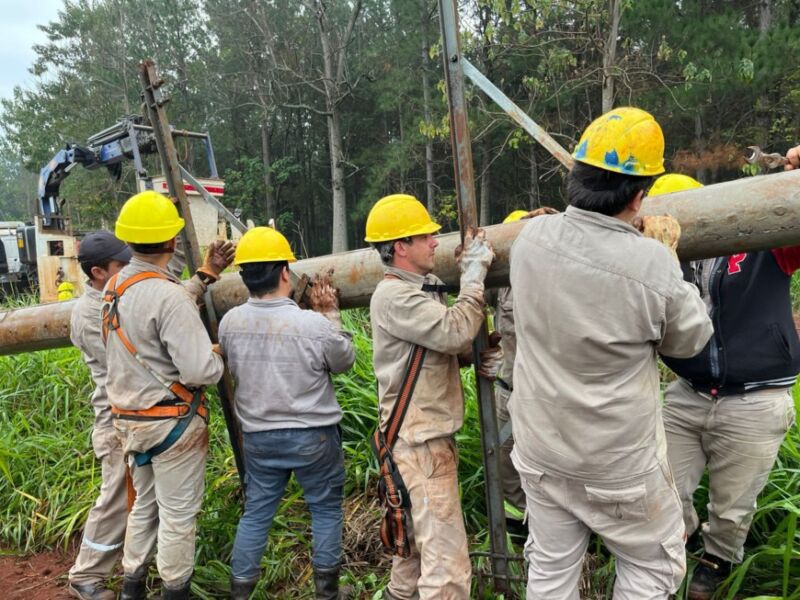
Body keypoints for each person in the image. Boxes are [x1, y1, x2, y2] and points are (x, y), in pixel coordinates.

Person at [509, 107, 713, 599]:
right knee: (650, 567)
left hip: (540, 450)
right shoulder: (651, 264)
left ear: (576, 176)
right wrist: (666, 255)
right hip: (618, 466)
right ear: (640, 194)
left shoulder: (530, 238)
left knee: (551, 571)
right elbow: (692, 339)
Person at [653, 170, 800, 600]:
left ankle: (717, 561)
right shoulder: (666, 255)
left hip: (755, 395)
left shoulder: (759, 238)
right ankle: (680, 536)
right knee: (660, 484)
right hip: (689, 391)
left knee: (733, 505)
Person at [104, 190, 234, 600]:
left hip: (131, 420)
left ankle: (132, 587)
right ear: (172, 241)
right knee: (178, 515)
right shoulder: (170, 297)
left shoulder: (115, 287)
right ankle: (175, 590)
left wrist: (204, 276)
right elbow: (199, 370)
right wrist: (220, 354)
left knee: (145, 504)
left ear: (129, 241)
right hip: (172, 423)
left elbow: (159, 306)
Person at [366, 193, 495, 600]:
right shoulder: (395, 296)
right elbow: (456, 331)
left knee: (413, 558)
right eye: (427, 236)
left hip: (417, 442)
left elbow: (449, 348)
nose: (436, 242)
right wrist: (474, 275)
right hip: (421, 446)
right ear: (401, 247)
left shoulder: (417, 290)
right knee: (447, 571)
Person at [220, 226, 355, 600]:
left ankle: (240, 593)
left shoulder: (230, 322)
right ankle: (327, 593)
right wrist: (330, 314)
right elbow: (343, 362)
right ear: (284, 272)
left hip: (260, 438)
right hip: (313, 435)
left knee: (257, 513)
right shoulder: (311, 323)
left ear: (245, 276)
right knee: (325, 510)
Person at [67, 231, 132, 600]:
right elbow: (127, 360)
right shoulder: (91, 313)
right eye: (120, 266)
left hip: (131, 414)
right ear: (97, 272)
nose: (127, 270)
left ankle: (136, 566)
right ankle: (85, 574)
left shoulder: (115, 295)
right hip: (114, 420)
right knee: (116, 499)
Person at [492, 208, 557, 537]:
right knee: (506, 467)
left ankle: (558, 534)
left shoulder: (558, 275)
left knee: (552, 469)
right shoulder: (502, 284)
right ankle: (518, 529)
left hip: (549, 397)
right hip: (510, 392)